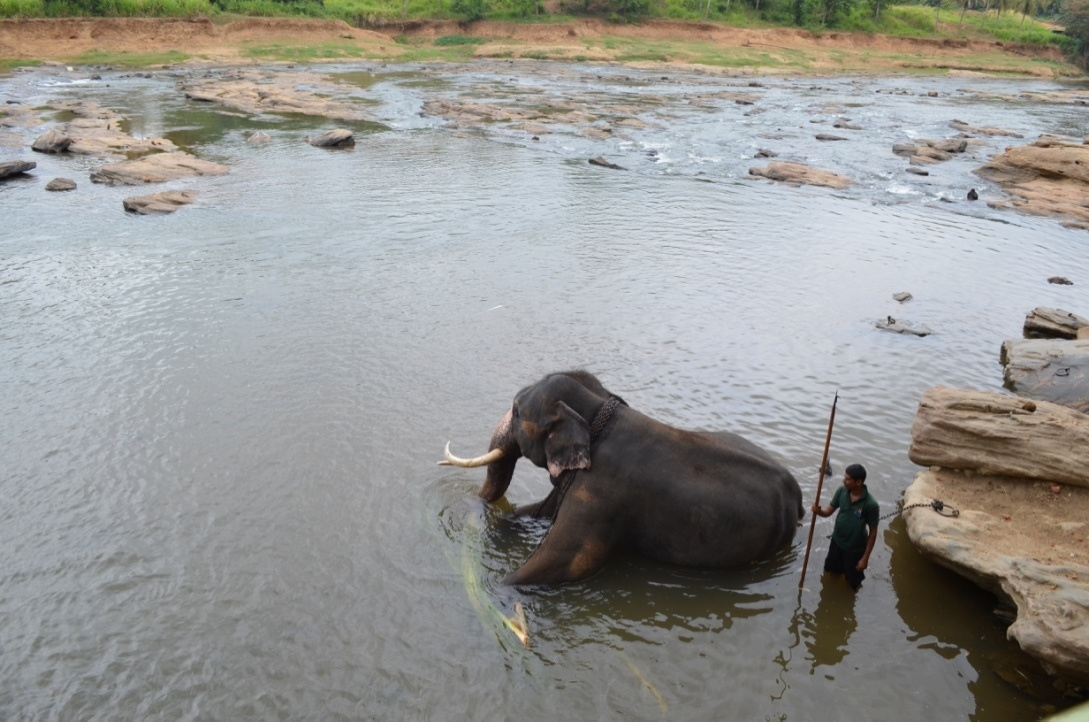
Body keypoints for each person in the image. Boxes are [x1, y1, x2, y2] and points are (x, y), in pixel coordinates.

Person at [811, 463, 879, 591]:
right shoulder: (841, 491)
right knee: (832, 572)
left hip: (854, 549)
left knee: (853, 582)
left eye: (847, 479)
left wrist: (865, 558)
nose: (843, 481)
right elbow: (828, 511)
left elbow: (873, 532)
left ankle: (849, 598)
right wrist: (819, 511)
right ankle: (831, 593)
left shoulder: (871, 504)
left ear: (858, 482)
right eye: (844, 477)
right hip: (836, 542)